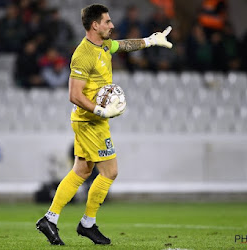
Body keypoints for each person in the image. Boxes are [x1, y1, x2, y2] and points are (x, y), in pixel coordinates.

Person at [36, 4, 173, 246]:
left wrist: (151, 41)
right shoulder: (83, 54)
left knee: (81, 171)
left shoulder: (105, 46)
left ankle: (50, 219)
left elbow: (125, 45)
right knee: (110, 172)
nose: (111, 25)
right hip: (89, 122)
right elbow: (74, 94)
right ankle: (87, 223)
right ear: (94, 25)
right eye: (107, 22)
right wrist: (101, 110)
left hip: (94, 121)